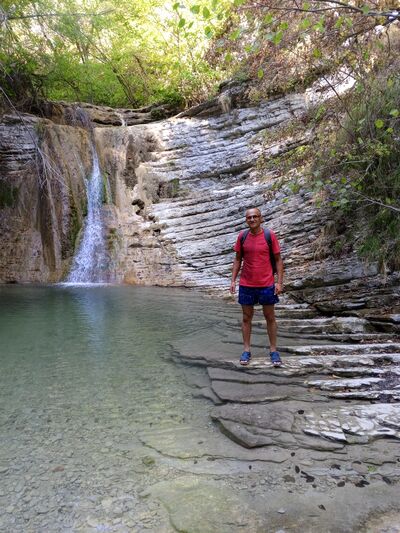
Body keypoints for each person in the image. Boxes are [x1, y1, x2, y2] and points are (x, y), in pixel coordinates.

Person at [230, 207, 284, 367]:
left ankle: (273, 351)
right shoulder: (242, 236)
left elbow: (278, 260)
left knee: (270, 317)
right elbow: (238, 259)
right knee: (246, 318)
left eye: (255, 216)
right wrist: (233, 280)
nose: (252, 219)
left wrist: (279, 282)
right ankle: (246, 350)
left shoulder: (269, 235)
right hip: (246, 284)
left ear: (261, 218)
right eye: (249, 217)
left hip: (266, 284)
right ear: (246, 220)